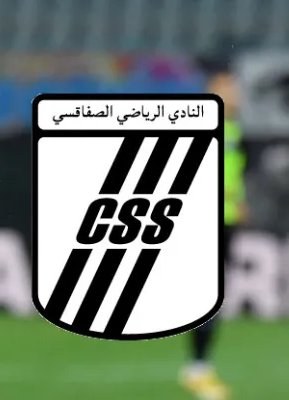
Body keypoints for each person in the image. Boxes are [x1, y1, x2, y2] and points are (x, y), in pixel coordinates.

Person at [179, 53, 247, 400]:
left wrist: (237, 199)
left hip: (226, 218)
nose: (235, 93)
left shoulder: (232, 128)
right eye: (227, 87)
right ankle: (198, 368)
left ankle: (200, 366)